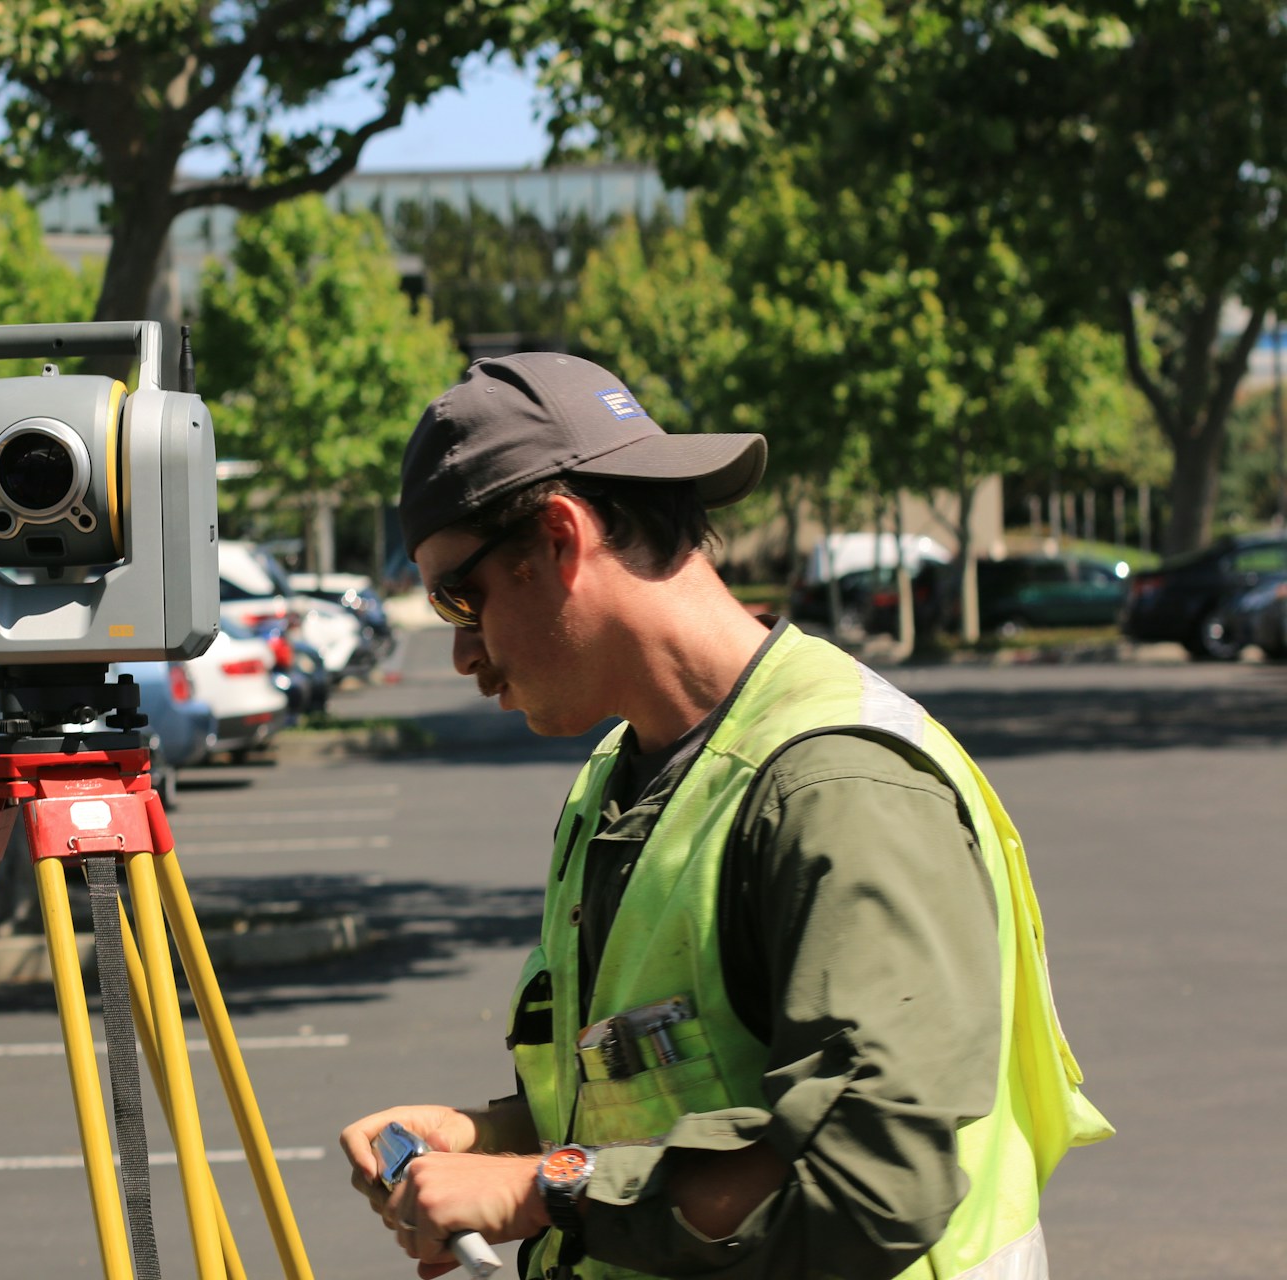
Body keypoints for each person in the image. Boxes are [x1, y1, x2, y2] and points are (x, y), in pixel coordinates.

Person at [339, 353, 1111, 1280]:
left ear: (557, 539)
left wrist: (542, 1188)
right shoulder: (619, 775)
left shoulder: (837, 786)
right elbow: (672, 1103)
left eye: (460, 599)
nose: (462, 653)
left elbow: (869, 1181)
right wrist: (489, 1138)